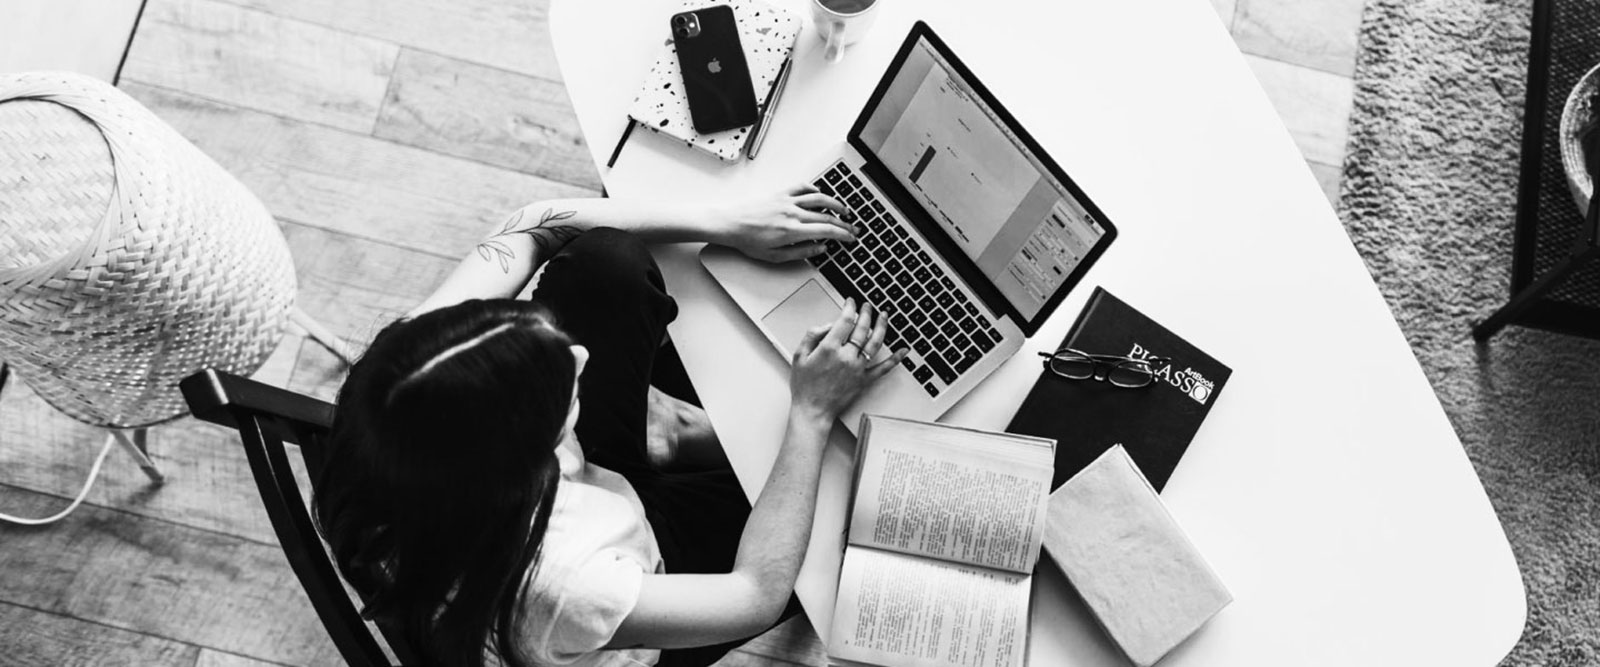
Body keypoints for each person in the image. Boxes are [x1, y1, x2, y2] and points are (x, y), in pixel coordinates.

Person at [313, 185, 908, 667]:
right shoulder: (567, 584)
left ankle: (665, 433)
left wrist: (725, 222)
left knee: (605, 263)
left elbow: (530, 223)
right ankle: (674, 436)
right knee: (850, 505)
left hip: (575, 495)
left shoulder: (403, 377)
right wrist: (809, 414)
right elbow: (754, 595)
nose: (579, 357)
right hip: (646, 578)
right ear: (530, 464)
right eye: (560, 397)